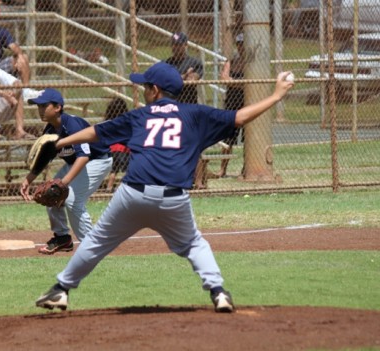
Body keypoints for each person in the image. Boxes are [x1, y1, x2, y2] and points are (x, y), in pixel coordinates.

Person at [34, 62, 294, 313]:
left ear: (155, 90)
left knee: (97, 242)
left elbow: (96, 132)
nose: (144, 91)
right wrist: (276, 95)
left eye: (146, 86)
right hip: (173, 198)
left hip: (132, 194)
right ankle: (218, 292)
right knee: (194, 244)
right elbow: (240, 117)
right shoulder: (195, 115)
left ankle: (60, 290)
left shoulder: (139, 116)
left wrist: (59, 143)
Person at [20, 88, 112, 255]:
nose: (40, 110)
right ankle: (62, 238)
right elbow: (44, 158)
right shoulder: (49, 131)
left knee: (72, 201)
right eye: (38, 107)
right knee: (50, 193)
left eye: (44, 106)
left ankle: (92, 247)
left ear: (57, 107)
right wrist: (28, 180)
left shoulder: (72, 125)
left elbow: (84, 156)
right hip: (77, 162)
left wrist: (63, 183)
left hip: (97, 160)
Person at [164, 32, 207, 189]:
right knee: (170, 146)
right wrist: (182, 76)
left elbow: (193, 79)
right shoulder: (167, 64)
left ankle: (199, 181)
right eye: (174, 45)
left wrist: (181, 78)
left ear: (185, 45)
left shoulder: (194, 62)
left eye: (180, 45)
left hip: (189, 110)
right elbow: (167, 82)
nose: (176, 48)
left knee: (195, 145)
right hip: (171, 110)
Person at [217, 33, 246, 178]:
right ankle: (223, 169)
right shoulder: (232, 61)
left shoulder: (252, 63)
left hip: (247, 103)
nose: (241, 47)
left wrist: (232, 82)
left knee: (250, 138)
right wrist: (240, 83)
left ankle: (246, 169)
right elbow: (224, 78)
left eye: (244, 44)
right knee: (228, 137)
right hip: (232, 103)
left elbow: (251, 85)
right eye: (239, 43)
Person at [103, 98, 129, 192]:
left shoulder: (109, 122)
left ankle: (109, 188)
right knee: (127, 170)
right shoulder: (126, 121)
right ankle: (121, 187)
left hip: (112, 149)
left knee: (113, 170)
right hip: (124, 149)